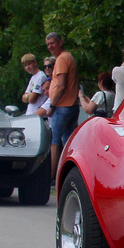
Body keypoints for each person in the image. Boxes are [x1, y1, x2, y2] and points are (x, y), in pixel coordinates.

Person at [43, 32, 80, 176]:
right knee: (69, 142)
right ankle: (69, 174)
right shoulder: (67, 57)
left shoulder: (62, 59)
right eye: (48, 44)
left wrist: (52, 105)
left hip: (63, 106)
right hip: (71, 105)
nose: (50, 46)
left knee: (54, 142)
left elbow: (61, 85)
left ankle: (53, 176)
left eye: (52, 43)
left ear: (60, 42)